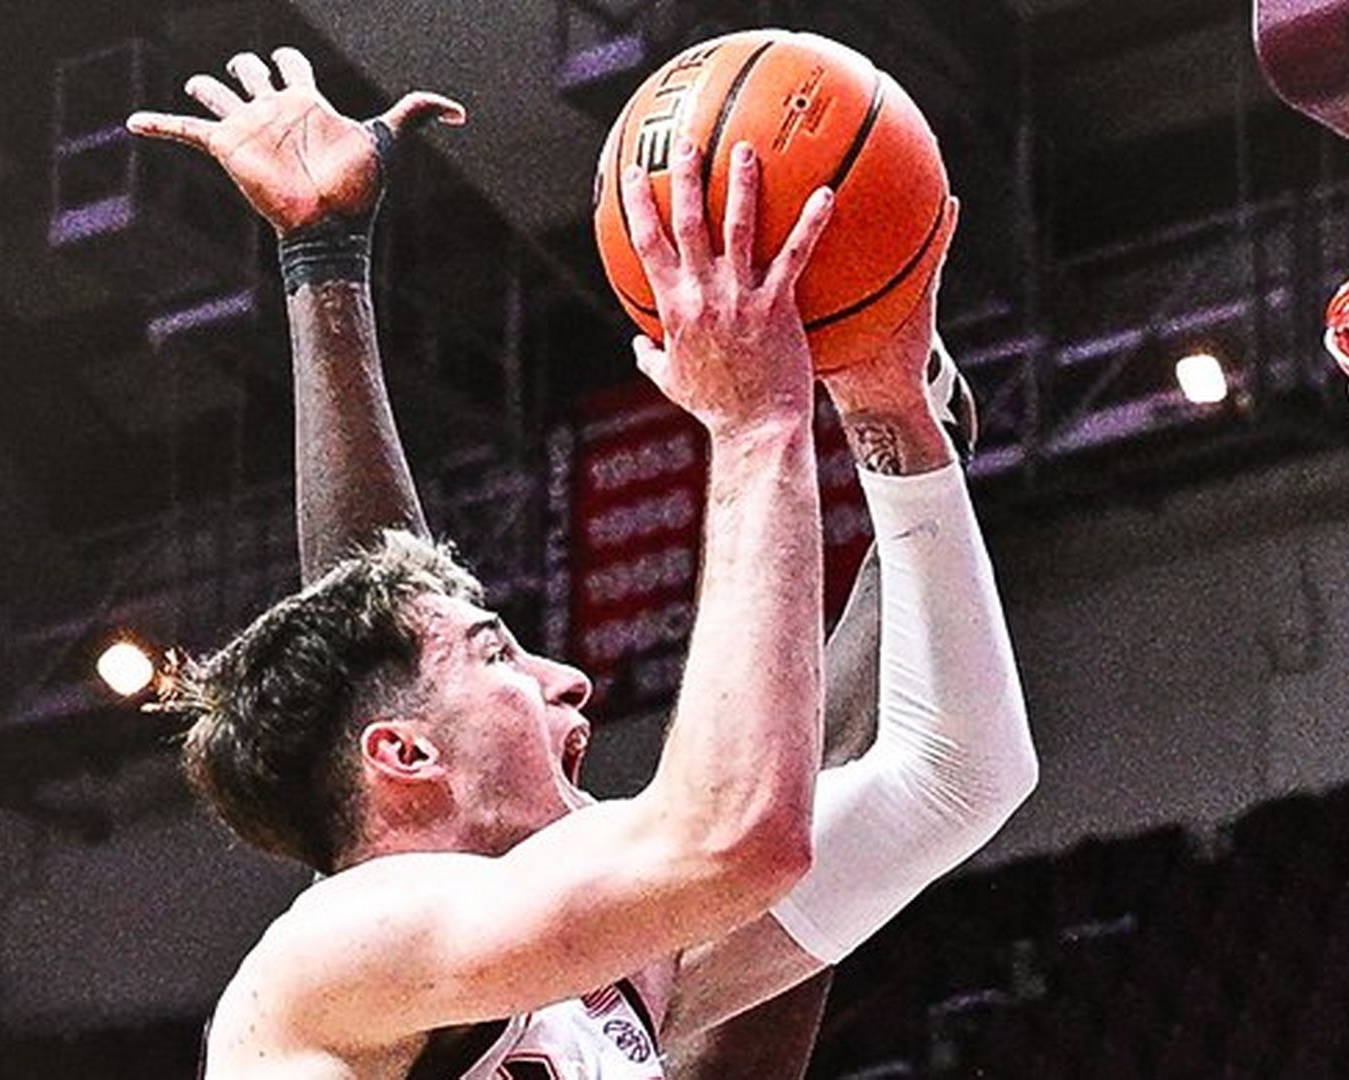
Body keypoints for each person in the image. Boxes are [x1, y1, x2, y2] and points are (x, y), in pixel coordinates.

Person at [130, 48, 1033, 1079]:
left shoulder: (602, 976)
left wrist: (892, 417)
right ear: (406, 758)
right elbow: (735, 834)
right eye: (501, 655)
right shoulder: (336, 957)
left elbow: (956, 780)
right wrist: (754, 423)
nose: (569, 678)